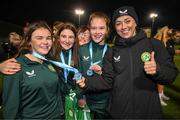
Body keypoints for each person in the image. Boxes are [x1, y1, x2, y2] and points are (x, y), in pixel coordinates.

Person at [77, 6, 179, 119]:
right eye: (118, 23)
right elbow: (106, 81)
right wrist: (87, 82)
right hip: (120, 114)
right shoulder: (112, 52)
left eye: (127, 21)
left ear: (135, 22)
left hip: (149, 113)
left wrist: (158, 70)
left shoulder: (153, 45)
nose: (123, 26)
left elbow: (172, 74)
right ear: (115, 27)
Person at [3, 21, 64, 119]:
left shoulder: (50, 63)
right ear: (29, 41)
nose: (45, 42)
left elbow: (55, 93)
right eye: (39, 38)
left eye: (48, 38)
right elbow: (10, 106)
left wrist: (60, 112)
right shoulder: (16, 66)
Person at [78, 12, 111, 119]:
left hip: (106, 103)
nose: (97, 32)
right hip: (85, 101)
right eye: (93, 28)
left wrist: (102, 72)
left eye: (101, 28)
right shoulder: (81, 50)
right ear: (89, 29)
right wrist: (80, 97)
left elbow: (115, 79)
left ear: (107, 30)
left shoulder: (113, 52)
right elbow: (76, 73)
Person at [154, 26, 176, 106]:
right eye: (168, 31)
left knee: (163, 82)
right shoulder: (158, 40)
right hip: (160, 63)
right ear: (164, 32)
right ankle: (158, 98)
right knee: (160, 81)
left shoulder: (168, 40)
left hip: (168, 63)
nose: (170, 31)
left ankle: (161, 94)